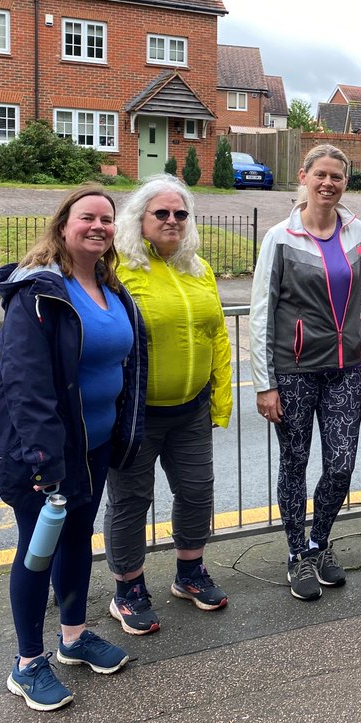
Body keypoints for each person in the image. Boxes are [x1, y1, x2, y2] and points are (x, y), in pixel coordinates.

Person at [0, 185, 146, 713]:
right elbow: (25, 386)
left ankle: (73, 638)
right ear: (63, 226)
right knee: (36, 550)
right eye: (87, 217)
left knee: (76, 544)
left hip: (91, 450)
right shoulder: (39, 294)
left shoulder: (112, 290)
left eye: (107, 220)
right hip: (40, 455)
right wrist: (46, 462)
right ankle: (26, 665)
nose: (98, 226)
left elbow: (126, 368)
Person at [103, 174, 232, 635]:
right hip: (136, 415)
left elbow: (216, 334)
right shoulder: (116, 270)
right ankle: (128, 590)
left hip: (191, 409)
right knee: (131, 502)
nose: (172, 220)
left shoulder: (198, 269)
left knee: (198, 491)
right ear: (140, 220)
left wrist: (220, 397)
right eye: (162, 213)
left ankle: (190, 573)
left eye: (180, 213)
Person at [250, 144, 361, 601]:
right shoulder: (280, 236)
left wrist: (356, 325)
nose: (328, 184)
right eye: (320, 175)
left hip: (345, 368)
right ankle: (297, 554)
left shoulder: (356, 229)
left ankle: (320, 542)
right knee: (295, 464)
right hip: (295, 370)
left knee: (341, 465)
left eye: (336, 177)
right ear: (304, 177)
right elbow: (262, 311)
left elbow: (357, 287)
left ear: (345, 182)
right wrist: (265, 384)